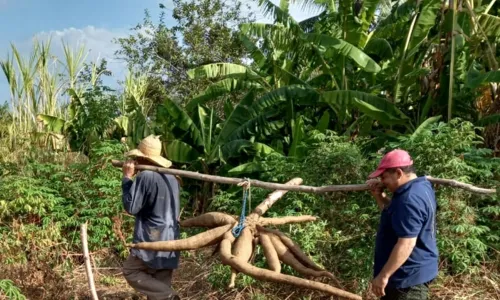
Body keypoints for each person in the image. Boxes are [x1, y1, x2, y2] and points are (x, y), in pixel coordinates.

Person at [366, 149, 439, 300]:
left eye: (384, 177)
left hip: (407, 281)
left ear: (398, 173)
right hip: (408, 274)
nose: (382, 182)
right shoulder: (421, 186)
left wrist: (383, 276)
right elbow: (396, 215)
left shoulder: (409, 199)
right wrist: (380, 196)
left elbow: (406, 243)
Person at [121, 135, 181, 300]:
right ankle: (166, 295)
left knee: (131, 270)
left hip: (152, 236)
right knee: (158, 284)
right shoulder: (173, 178)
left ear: (142, 158)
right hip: (170, 236)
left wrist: (127, 178)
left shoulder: (145, 176)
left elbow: (131, 207)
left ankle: (169, 295)